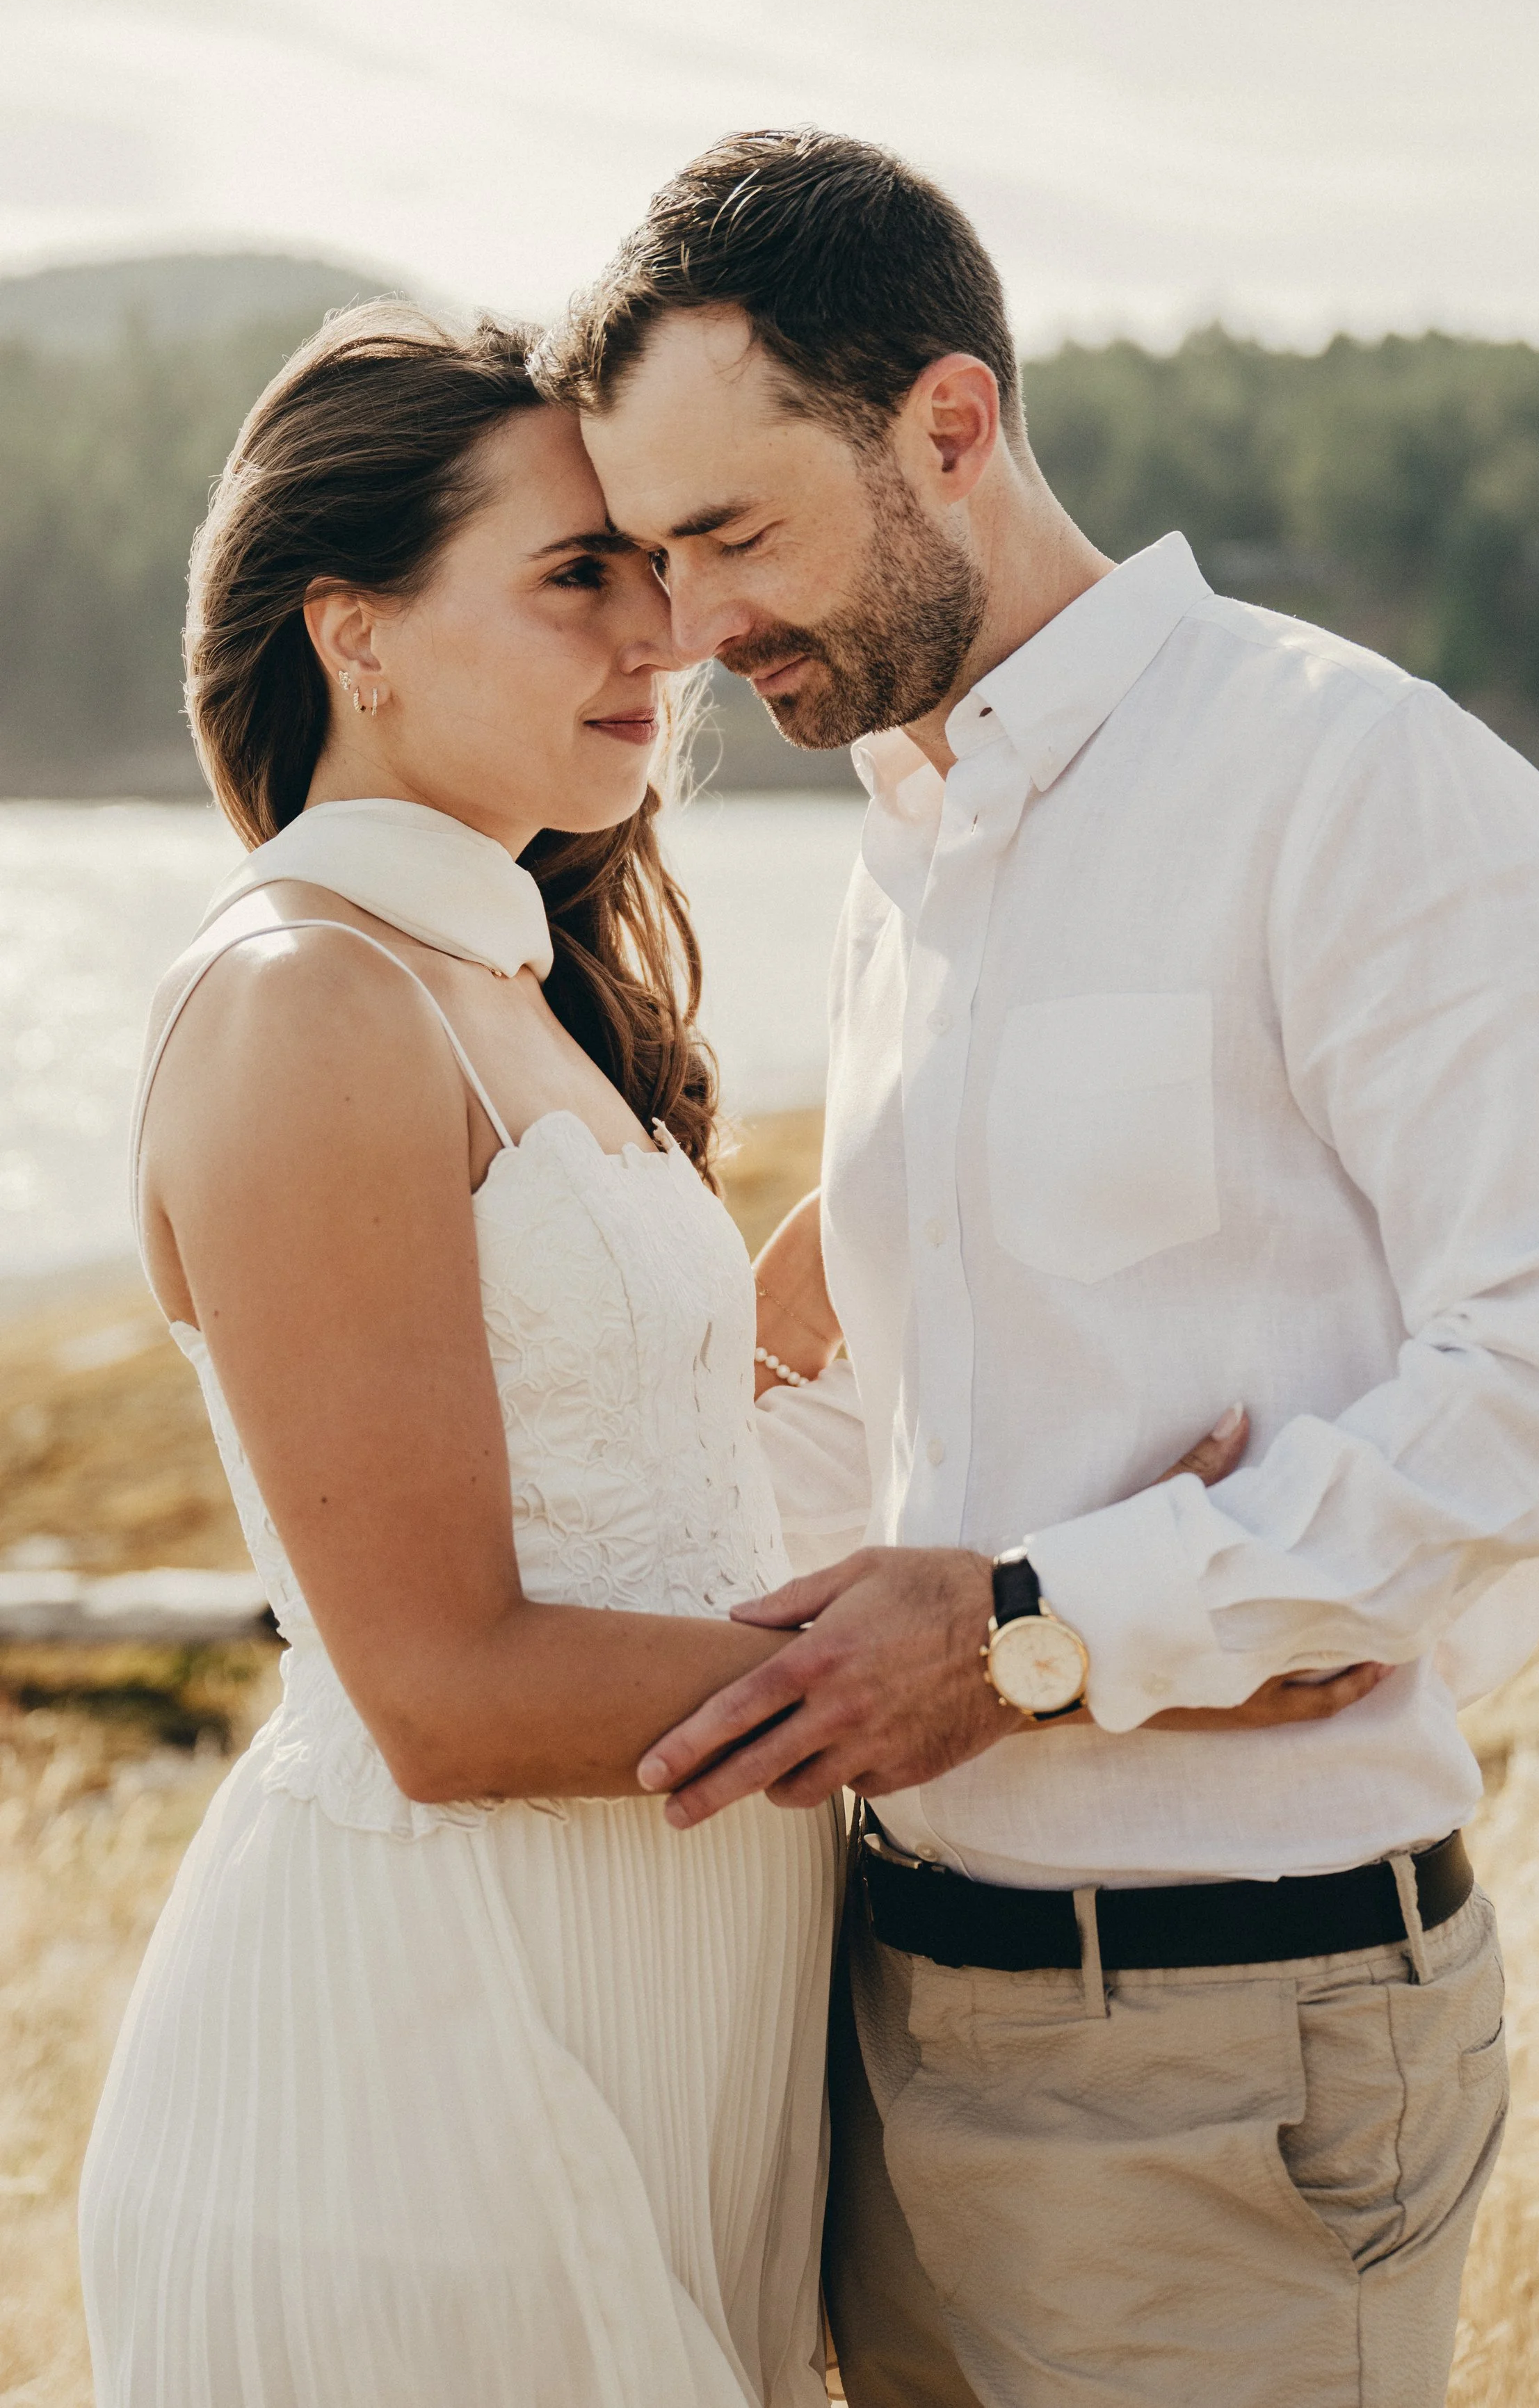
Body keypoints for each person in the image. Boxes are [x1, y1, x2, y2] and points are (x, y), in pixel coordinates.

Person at [78, 301, 1366, 2408]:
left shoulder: (497, 976)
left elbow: (672, 1435)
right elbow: (443, 1685)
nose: (660, 639)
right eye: (577, 573)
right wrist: (1053, 1652)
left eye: (663, 570)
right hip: (445, 2056)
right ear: (355, 628)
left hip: (663, 2009)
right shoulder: (307, 998)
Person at [535, 129, 1539, 2408]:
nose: (687, 631)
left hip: (1227, 2053)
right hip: (888, 2015)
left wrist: (1073, 1626)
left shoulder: (1353, 781)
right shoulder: (910, 842)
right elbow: (907, 1429)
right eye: (655, 557)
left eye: (734, 537)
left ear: (949, 427)